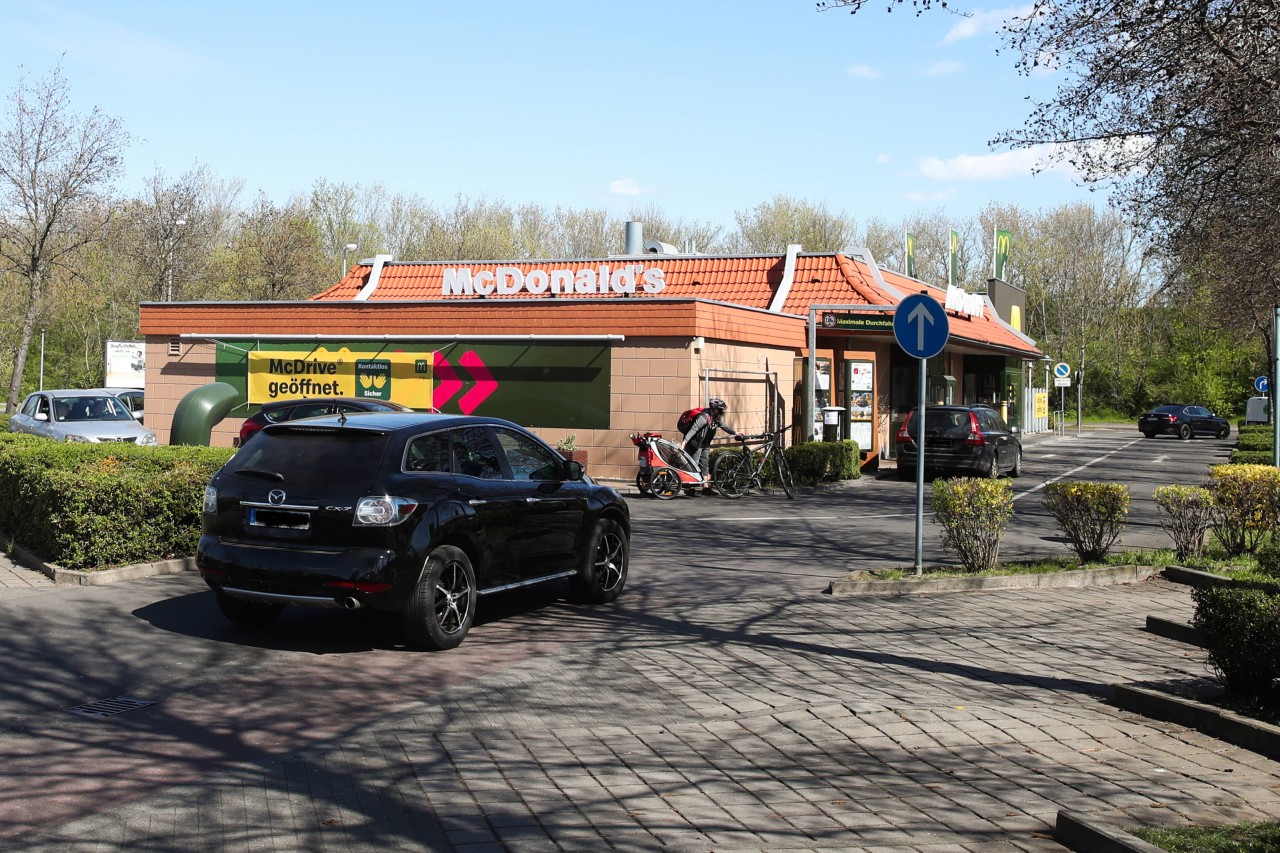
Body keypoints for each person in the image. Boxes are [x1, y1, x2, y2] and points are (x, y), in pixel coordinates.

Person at [680, 398, 738, 495]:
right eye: (720, 409)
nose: (721, 412)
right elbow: (693, 429)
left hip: (705, 444)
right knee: (694, 464)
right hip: (696, 444)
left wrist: (735, 432)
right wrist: (684, 442)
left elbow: (723, 425)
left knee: (704, 465)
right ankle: (689, 489)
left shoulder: (715, 417)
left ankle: (705, 488)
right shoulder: (704, 417)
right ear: (715, 409)